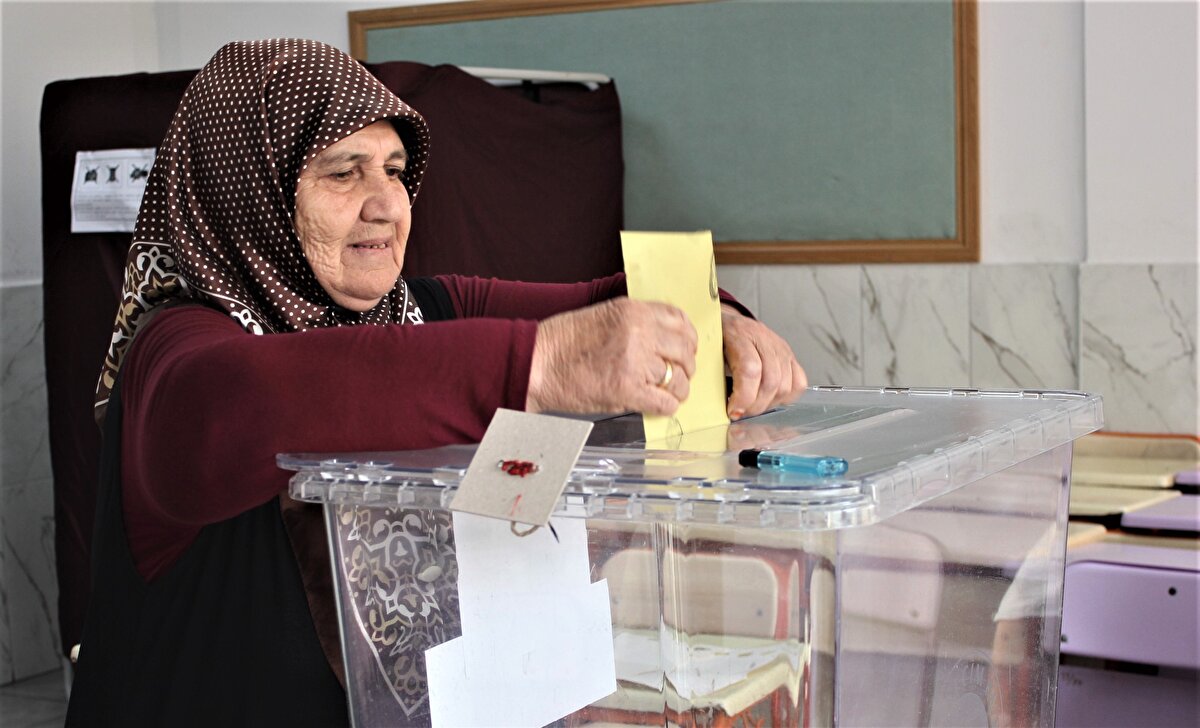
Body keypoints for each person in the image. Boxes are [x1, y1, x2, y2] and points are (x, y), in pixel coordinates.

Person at [65, 39, 805, 726]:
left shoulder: (421, 311)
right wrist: (543, 366)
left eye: (394, 170)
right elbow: (232, 407)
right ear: (247, 186)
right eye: (342, 172)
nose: (387, 204)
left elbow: (605, 302)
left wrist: (718, 321)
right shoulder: (173, 347)